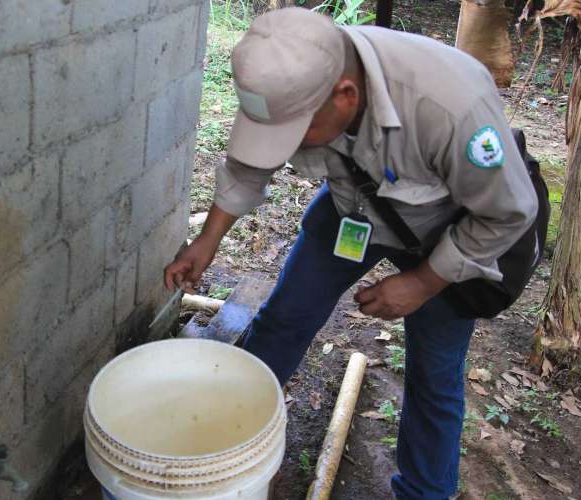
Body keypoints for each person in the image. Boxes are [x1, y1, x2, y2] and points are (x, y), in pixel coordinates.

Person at [165, 7, 537, 499]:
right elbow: (249, 164)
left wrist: (422, 282)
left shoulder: (451, 107)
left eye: (295, 132)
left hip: (449, 232)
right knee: (284, 320)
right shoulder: (289, 75)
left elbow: (507, 214)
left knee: (433, 375)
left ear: (346, 96)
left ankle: (424, 492)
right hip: (351, 208)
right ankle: (233, 445)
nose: (285, 145)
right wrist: (207, 240)